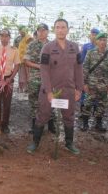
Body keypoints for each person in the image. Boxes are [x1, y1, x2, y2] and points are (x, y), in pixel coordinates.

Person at [27, 19, 83, 155]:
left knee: (69, 116)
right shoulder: (47, 48)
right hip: (50, 89)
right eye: (58, 27)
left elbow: (79, 68)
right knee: (43, 115)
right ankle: (35, 142)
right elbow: (44, 70)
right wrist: (48, 90)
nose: (61, 30)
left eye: (63, 27)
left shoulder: (75, 47)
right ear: (54, 30)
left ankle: (69, 143)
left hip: (68, 89)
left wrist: (79, 88)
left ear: (68, 30)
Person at [81, 33, 108, 132]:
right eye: (100, 40)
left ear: (106, 42)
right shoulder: (90, 53)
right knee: (87, 103)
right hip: (91, 84)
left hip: (103, 85)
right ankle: (85, 124)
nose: (102, 42)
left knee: (101, 105)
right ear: (96, 41)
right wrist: (84, 84)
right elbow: (85, 69)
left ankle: (98, 123)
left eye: (104, 40)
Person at [0, 29, 20, 134]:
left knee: (7, 103)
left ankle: (5, 125)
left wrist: (10, 78)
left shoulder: (14, 50)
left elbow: (17, 65)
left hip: (8, 78)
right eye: (2, 36)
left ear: (9, 37)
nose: (4, 38)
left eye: (6, 36)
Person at [25, 23, 55, 134]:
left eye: (44, 30)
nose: (41, 32)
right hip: (35, 78)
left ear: (48, 32)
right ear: (37, 32)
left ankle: (51, 125)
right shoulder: (32, 45)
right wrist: (40, 66)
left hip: (49, 79)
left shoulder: (53, 45)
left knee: (50, 100)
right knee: (34, 101)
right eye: (39, 30)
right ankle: (34, 126)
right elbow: (26, 62)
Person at [79, 28, 100, 111]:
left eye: (95, 35)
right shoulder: (85, 46)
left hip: (98, 74)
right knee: (84, 91)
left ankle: (95, 110)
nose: (93, 36)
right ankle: (82, 110)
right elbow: (81, 60)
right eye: (92, 34)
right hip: (87, 73)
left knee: (96, 92)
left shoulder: (101, 46)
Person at [15, 25, 32, 93]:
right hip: (20, 59)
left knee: (28, 74)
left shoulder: (29, 37)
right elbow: (15, 48)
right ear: (19, 31)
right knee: (21, 74)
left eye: (23, 29)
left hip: (28, 59)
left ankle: (27, 88)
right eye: (20, 30)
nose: (22, 31)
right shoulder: (17, 39)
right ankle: (21, 88)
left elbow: (30, 46)